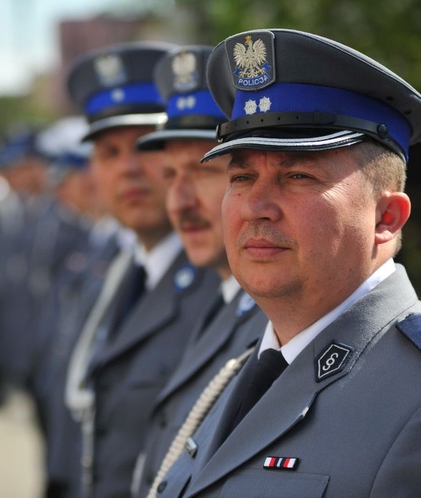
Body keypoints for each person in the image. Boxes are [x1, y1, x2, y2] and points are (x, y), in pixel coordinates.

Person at [152, 28, 421, 498]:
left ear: (386, 217)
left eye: (297, 175)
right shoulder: (243, 370)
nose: (256, 206)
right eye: (242, 175)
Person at [64, 42, 222, 498]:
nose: (128, 169)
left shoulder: (232, 282)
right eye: (109, 153)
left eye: (144, 145)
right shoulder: (122, 270)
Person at [130, 45, 267, 498]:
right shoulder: (221, 298)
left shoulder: (281, 320)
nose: (178, 202)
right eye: (169, 176)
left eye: (203, 170)